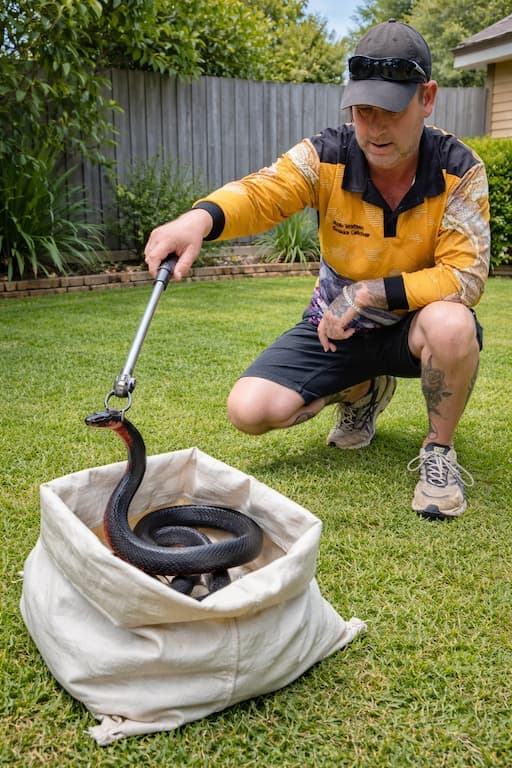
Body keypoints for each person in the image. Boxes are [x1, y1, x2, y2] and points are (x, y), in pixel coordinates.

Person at [144, 20, 490, 521]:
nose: (373, 127)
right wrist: (199, 218)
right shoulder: (326, 154)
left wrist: (368, 292)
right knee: (249, 409)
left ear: (427, 98)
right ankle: (363, 390)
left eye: (390, 110)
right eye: (362, 109)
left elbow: (465, 277)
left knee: (453, 323)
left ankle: (438, 452)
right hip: (336, 329)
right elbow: (263, 192)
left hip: (413, 327)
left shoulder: (460, 169)